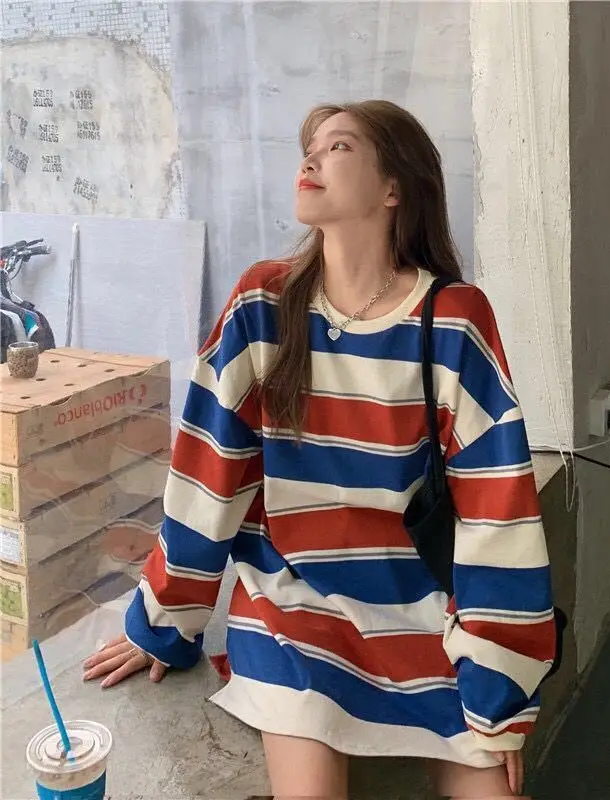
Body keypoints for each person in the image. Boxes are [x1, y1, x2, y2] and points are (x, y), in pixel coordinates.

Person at [82, 100, 556, 799]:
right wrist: (165, 622)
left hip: (421, 614)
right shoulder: (262, 306)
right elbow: (209, 476)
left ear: (393, 187)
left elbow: (498, 508)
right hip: (291, 608)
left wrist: (499, 691)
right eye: (309, 147)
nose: (309, 159)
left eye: (338, 147)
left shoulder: (453, 319)